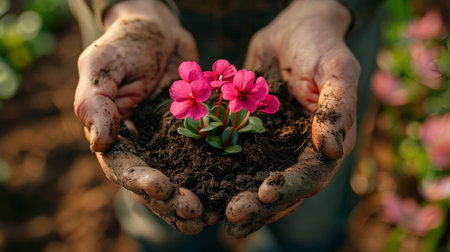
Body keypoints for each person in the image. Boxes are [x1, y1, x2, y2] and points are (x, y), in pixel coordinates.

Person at [68, 0, 384, 250]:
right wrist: (129, 8)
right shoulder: (203, 100)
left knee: (311, 221)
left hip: (314, 19)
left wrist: (327, 9)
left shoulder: (236, 101)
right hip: (152, 15)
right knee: (161, 215)